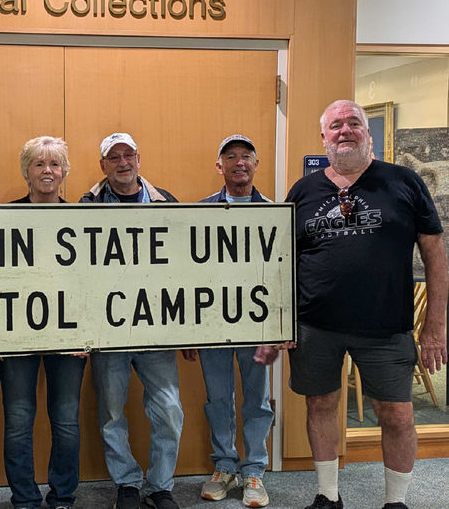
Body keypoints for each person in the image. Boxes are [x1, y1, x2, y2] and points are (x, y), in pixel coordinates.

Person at [283, 100, 448, 509]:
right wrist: (279, 322)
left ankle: (396, 501)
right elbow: (282, 261)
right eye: (335, 125)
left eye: (353, 123)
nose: (345, 130)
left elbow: (435, 254)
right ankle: (327, 495)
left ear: (367, 132)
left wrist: (436, 326)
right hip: (314, 325)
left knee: (397, 415)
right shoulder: (303, 191)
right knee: (320, 404)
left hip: (386, 326)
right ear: (323, 137)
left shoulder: (404, 182)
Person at [79, 133, 184, 509]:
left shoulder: (164, 201)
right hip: (109, 332)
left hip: (156, 327)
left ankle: (160, 486)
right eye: (113, 157)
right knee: (110, 412)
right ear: (102, 165)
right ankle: (126, 483)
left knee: (170, 410)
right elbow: (80, 272)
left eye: (128, 155)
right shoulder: (86, 205)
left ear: (139, 159)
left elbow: (185, 267)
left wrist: (189, 327)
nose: (122, 163)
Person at [182, 134, 274, 508]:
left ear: (256, 164)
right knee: (218, 398)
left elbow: (280, 272)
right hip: (212, 323)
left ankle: (254, 470)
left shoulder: (274, 211)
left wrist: (280, 329)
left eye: (246, 156)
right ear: (219, 166)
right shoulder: (200, 212)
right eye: (231, 156)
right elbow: (186, 273)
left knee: (257, 399)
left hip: (257, 324)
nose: (239, 162)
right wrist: (188, 329)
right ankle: (224, 466)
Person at [0, 135, 87, 509]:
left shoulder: (81, 220)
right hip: (16, 335)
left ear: (64, 172)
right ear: (26, 172)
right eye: (39, 164)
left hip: (69, 335)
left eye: (54, 164)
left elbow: (91, 281)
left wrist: (89, 333)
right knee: (18, 418)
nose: (47, 171)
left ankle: (62, 494)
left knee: (65, 418)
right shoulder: (3, 218)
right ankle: (24, 498)